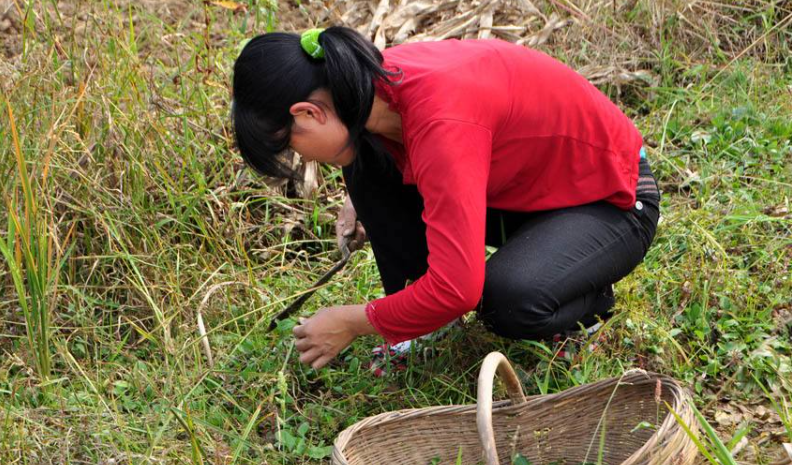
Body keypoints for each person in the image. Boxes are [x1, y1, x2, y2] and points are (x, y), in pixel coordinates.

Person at [232, 26, 661, 371]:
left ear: (309, 113)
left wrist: (354, 321)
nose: (305, 158)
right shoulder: (370, 87)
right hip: (528, 191)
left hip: (613, 201)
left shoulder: (441, 120)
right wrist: (368, 199)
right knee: (367, 161)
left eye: (292, 146)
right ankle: (423, 328)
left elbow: (459, 289)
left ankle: (585, 300)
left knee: (505, 300)